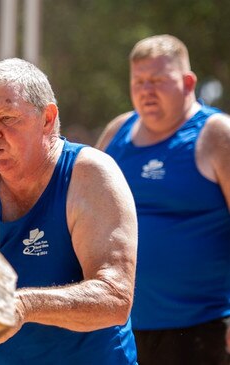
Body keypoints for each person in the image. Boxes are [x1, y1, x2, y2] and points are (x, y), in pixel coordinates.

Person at [0, 58, 138, 364]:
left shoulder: (90, 176)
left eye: (7, 118)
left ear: (47, 118)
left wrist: (25, 306)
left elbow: (115, 299)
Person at [96, 34, 230, 365]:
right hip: (119, 328)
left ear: (187, 82)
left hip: (203, 328)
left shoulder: (216, 135)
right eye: (138, 81)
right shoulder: (117, 133)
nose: (146, 90)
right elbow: (79, 209)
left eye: (157, 80)